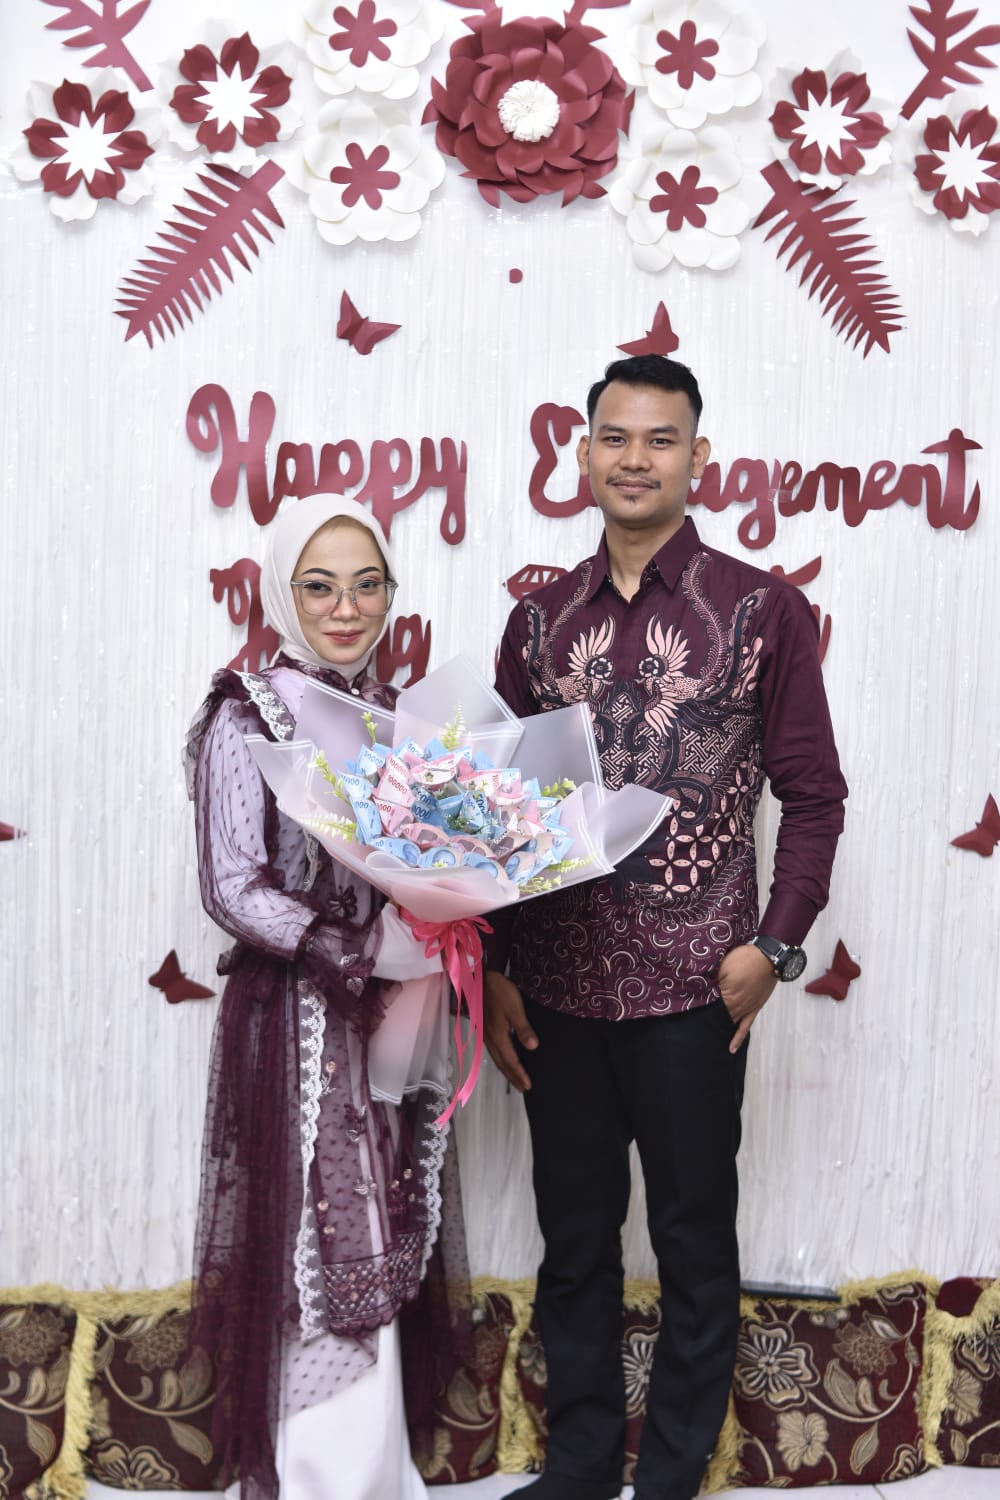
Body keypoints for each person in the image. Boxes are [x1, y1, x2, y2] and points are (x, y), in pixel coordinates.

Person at [484, 356, 848, 1500]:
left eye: (659, 439)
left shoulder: (760, 611)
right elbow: (493, 812)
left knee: (693, 1245)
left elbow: (813, 796)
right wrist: (492, 966)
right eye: (614, 437)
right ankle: (582, 1464)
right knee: (573, 1244)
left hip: (700, 992)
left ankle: (674, 1472)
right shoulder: (536, 622)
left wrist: (771, 950)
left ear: (699, 458)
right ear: (582, 455)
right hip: (555, 994)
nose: (634, 459)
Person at [184, 494, 467, 1500]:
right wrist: (356, 947)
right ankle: (313, 1475)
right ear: (281, 594)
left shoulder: (397, 717)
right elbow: (231, 885)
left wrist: (444, 915)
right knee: (317, 1227)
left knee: (384, 1215)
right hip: (301, 1019)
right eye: (319, 586)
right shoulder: (246, 712)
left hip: (393, 1016)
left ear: (391, 594)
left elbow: (434, 856)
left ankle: (375, 1471)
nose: (345, 609)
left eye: (366, 585)